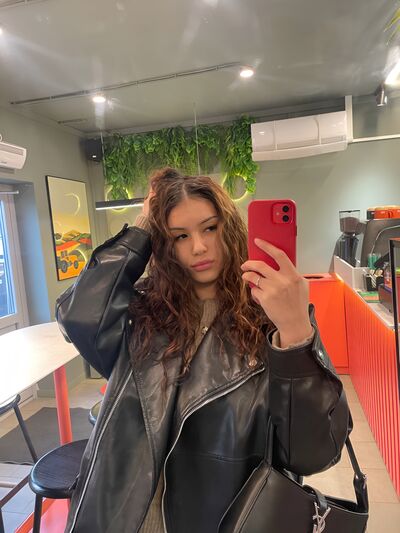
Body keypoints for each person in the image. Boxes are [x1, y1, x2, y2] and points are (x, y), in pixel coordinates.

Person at [56, 167, 350, 533]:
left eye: (210, 228)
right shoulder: (143, 314)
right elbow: (78, 315)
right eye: (179, 236)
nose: (198, 247)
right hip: (122, 517)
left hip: (224, 519)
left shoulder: (272, 321)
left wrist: (295, 335)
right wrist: (143, 228)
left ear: (230, 228)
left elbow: (314, 453)